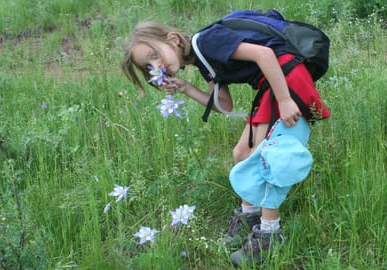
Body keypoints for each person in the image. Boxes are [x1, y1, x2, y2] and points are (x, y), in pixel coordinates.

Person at [121, 12, 330, 265]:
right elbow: (224, 105)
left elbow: (265, 55)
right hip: (273, 84)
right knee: (242, 154)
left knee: (265, 157)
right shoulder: (203, 60)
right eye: (148, 66)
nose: (156, 67)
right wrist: (186, 89)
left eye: (154, 55)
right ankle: (249, 218)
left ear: (173, 38)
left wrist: (285, 100)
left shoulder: (206, 42)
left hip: (285, 79)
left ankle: (269, 234)